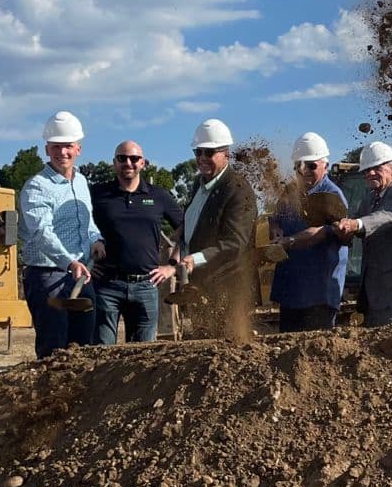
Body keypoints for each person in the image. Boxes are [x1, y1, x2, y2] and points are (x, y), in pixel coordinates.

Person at [19, 111, 104, 358]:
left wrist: (95, 239)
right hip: (48, 277)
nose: (62, 153)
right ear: (47, 149)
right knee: (54, 349)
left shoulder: (81, 182)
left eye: (67, 146)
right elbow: (41, 233)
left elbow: (87, 222)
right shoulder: (36, 187)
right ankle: (50, 396)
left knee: (84, 347)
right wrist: (69, 261)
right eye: (56, 147)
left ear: (78, 148)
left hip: (79, 275)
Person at [90, 140, 184, 344]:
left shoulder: (159, 196)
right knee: (101, 353)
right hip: (107, 285)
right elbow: (78, 226)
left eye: (134, 158)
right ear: (114, 163)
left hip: (146, 286)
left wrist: (172, 267)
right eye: (122, 158)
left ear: (143, 163)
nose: (128, 163)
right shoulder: (97, 195)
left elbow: (187, 229)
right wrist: (84, 260)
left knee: (142, 357)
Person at [179, 118, 258, 341]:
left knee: (226, 352)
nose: (202, 158)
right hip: (201, 286)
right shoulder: (199, 184)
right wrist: (179, 241)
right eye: (198, 153)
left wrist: (195, 258)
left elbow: (235, 243)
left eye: (209, 152)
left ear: (226, 154)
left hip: (227, 288)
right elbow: (195, 222)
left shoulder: (238, 189)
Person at [334, 141, 392, 326]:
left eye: (376, 168)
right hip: (374, 291)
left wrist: (356, 224)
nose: (370, 173)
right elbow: (355, 221)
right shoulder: (370, 198)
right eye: (366, 170)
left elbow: (384, 217)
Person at [268, 132, 349, 332]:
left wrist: (289, 241)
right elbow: (275, 216)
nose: (304, 171)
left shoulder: (332, 196)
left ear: (325, 166)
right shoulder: (290, 191)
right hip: (291, 288)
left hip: (318, 293)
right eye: (299, 166)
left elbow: (322, 232)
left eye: (312, 166)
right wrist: (276, 229)